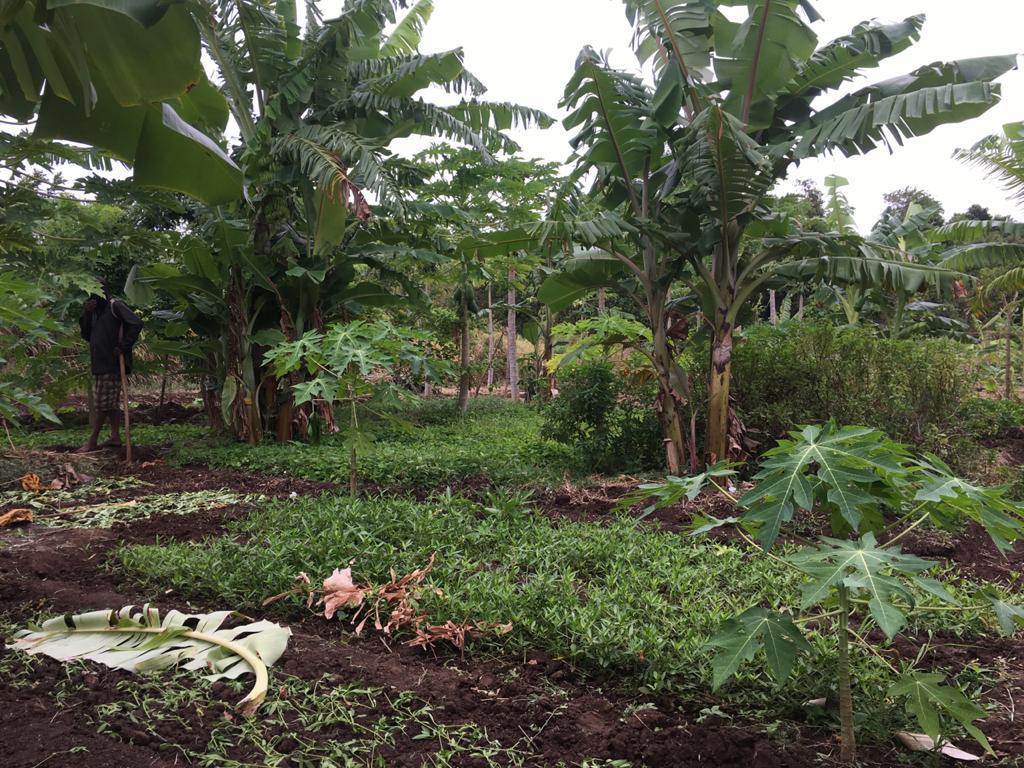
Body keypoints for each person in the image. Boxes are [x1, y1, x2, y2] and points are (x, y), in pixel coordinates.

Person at [77, 292, 144, 452]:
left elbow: (136, 323)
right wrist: (87, 313)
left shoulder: (115, 305)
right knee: (111, 403)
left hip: (112, 363)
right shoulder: (95, 312)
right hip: (100, 363)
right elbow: (86, 335)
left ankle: (92, 440)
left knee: (102, 404)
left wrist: (123, 346)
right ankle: (114, 436)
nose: (92, 299)